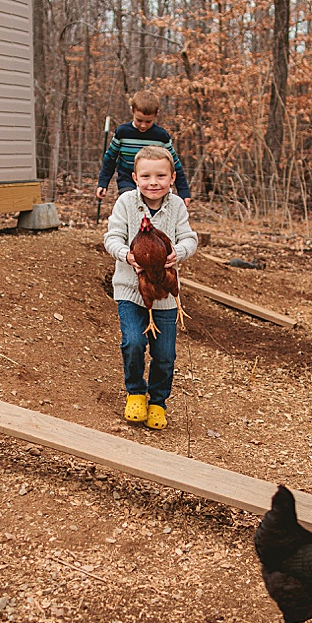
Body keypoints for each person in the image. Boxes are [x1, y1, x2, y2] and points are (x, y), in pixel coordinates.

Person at [104, 145, 198, 431]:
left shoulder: (177, 205)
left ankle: (158, 401)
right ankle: (135, 392)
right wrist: (126, 255)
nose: (153, 182)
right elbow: (112, 237)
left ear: (172, 178)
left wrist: (178, 253)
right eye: (146, 176)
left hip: (166, 293)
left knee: (165, 354)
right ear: (134, 177)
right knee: (133, 342)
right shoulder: (125, 203)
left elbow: (190, 239)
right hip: (130, 289)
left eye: (160, 176)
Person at [96, 91, 192, 202]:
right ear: (132, 110)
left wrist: (184, 191)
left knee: (151, 207)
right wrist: (103, 183)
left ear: (156, 114)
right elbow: (110, 159)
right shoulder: (122, 132)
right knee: (130, 202)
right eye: (139, 120)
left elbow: (175, 164)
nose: (143, 125)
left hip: (152, 181)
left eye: (148, 121)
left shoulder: (161, 136)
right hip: (127, 180)